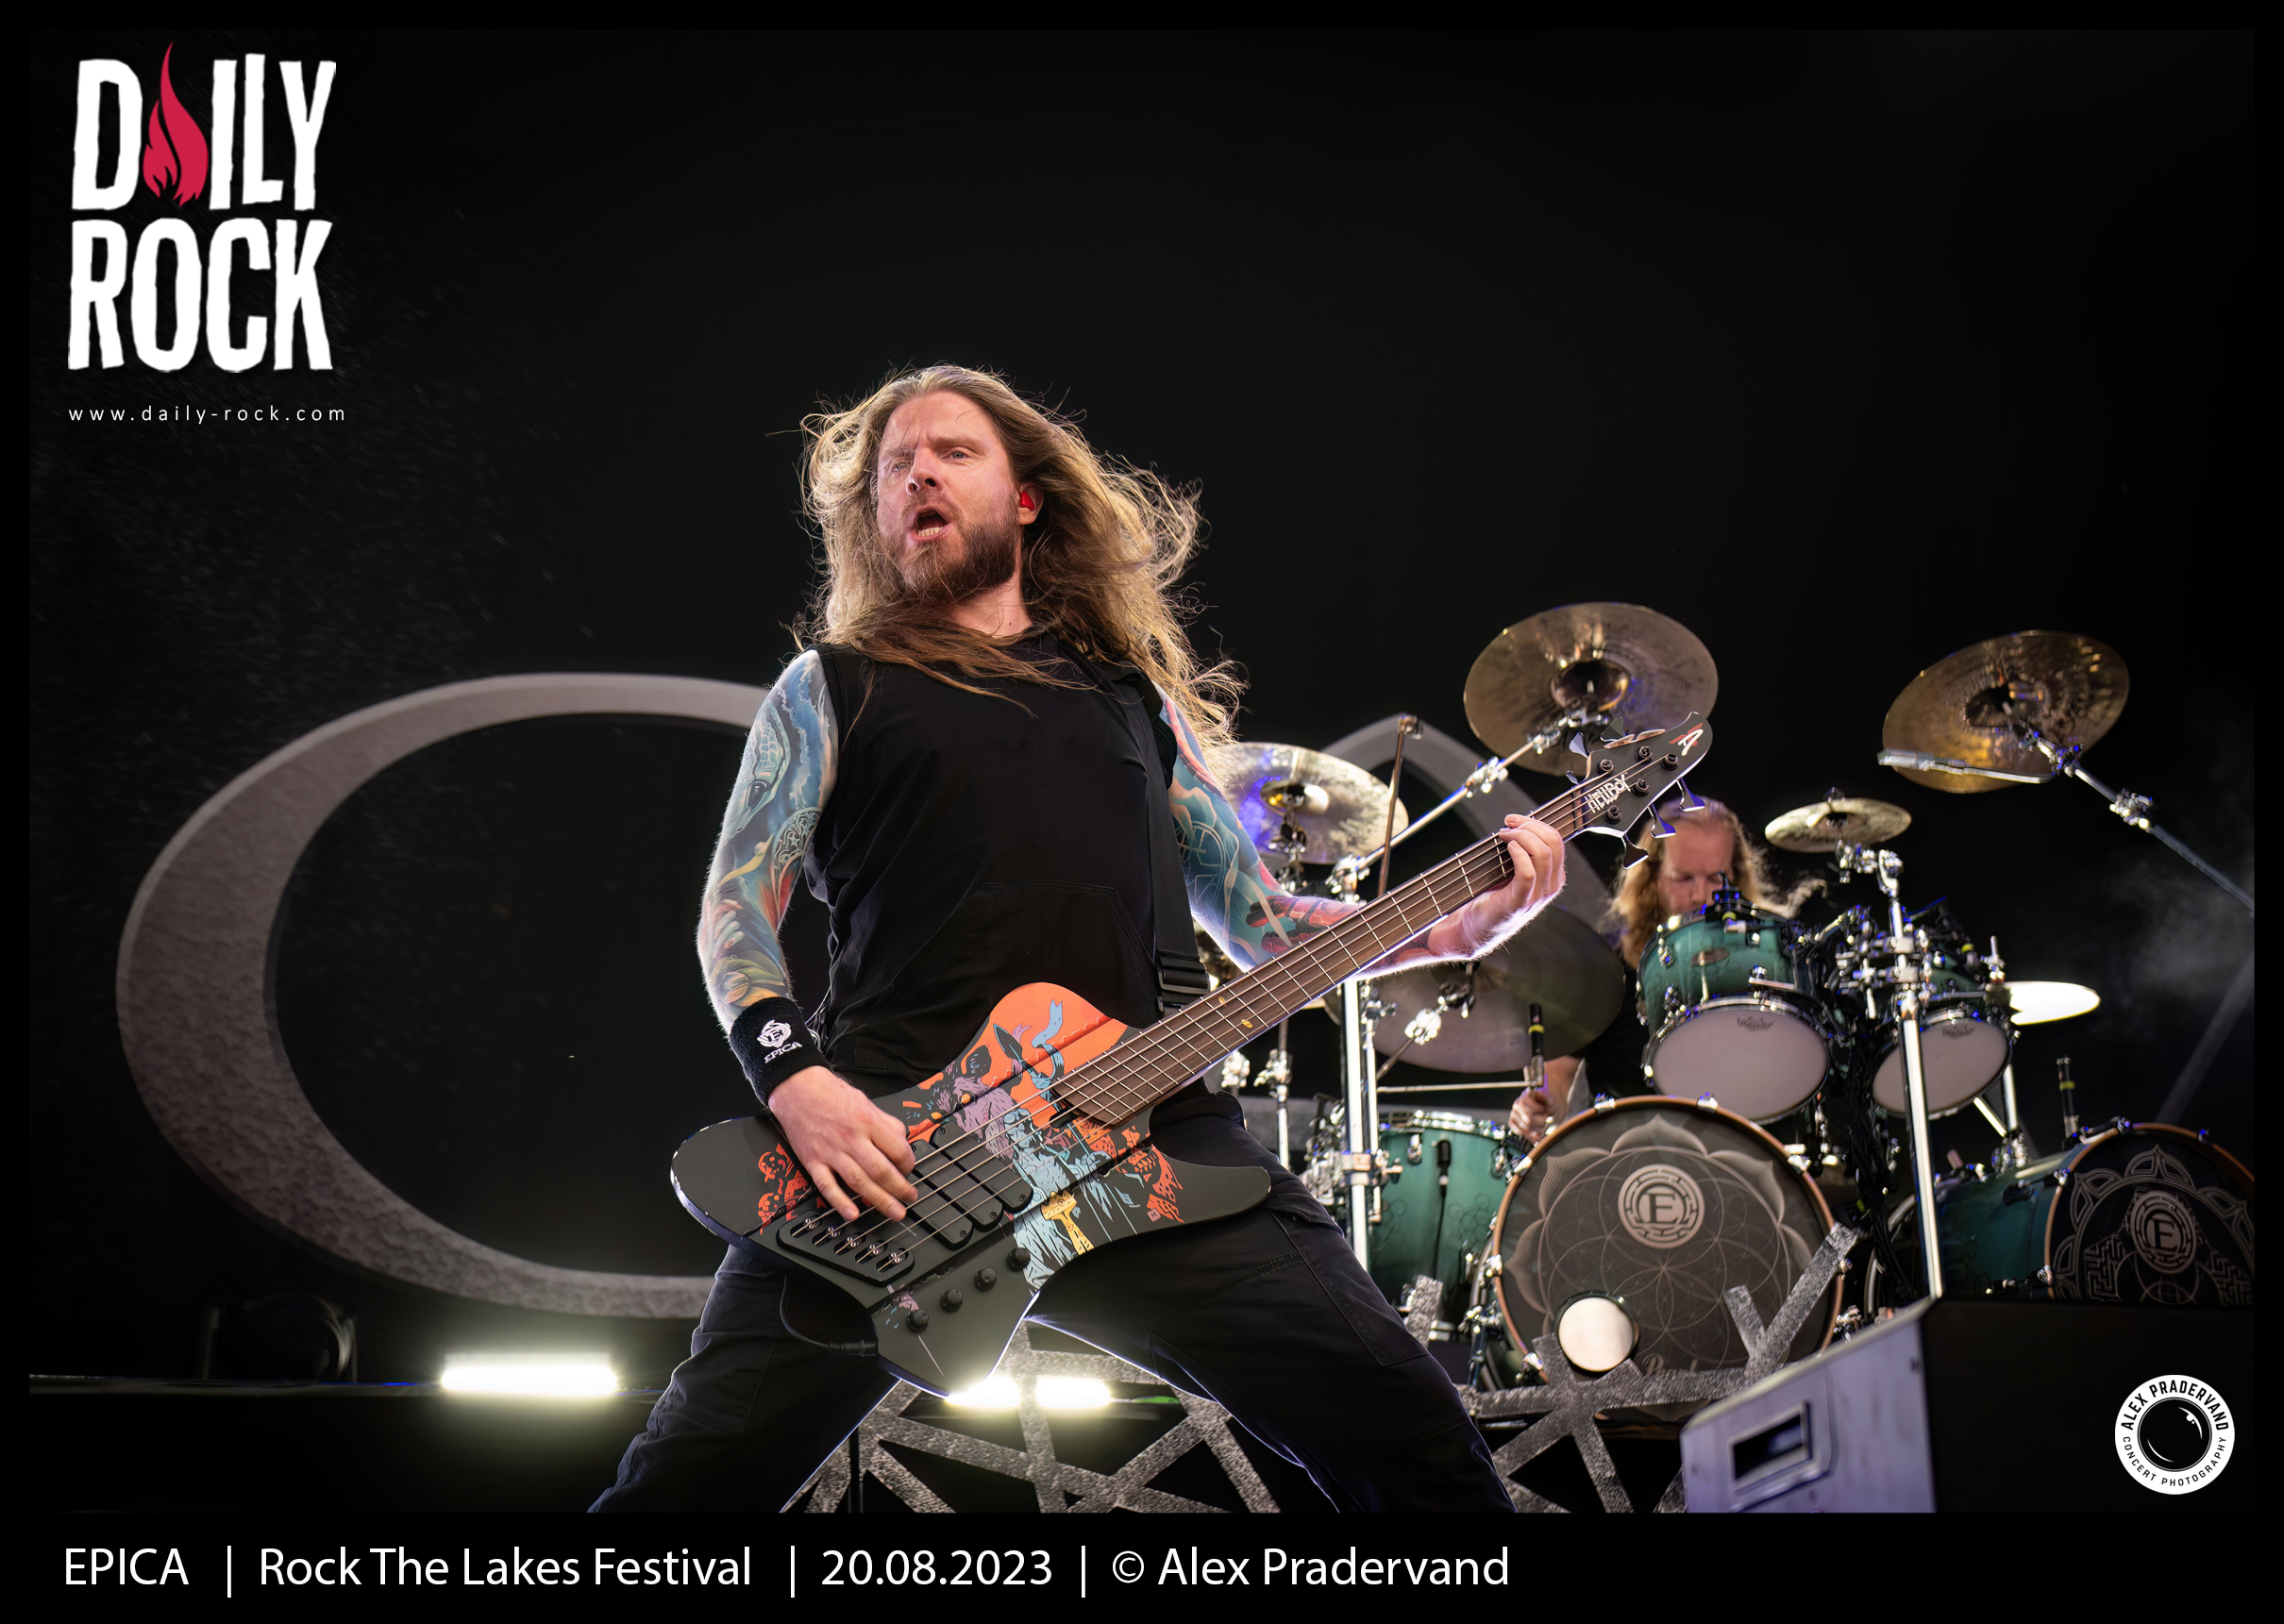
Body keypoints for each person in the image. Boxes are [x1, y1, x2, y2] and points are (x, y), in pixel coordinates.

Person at [594, 365, 1567, 1513]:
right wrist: (794, 1079)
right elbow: (732, 908)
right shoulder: (831, 688)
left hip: (1148, 1143)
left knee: (1415, 1444)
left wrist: (1461, 920)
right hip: (891, 1160)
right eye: (895, 467)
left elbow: (1264, 926)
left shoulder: (1130, 704)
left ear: (1026, 498)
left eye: (950, 452)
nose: (916, 476)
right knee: (684, 1490)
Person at [1506, 796, 1800, 1145]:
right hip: (1635, 1160)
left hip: (1752, 1154)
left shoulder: (1775, 959)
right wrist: (1541, 1102)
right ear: (1652, 877)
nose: (1701, 895)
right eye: (1683, 877)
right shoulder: (1605, 970)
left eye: (1716, 877)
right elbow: (1556, 1077)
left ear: (1735, 875)